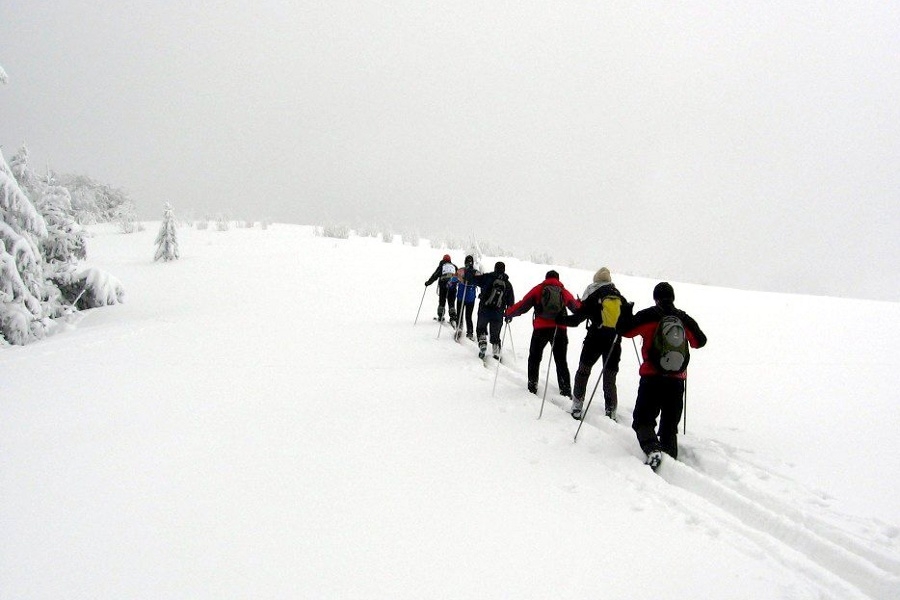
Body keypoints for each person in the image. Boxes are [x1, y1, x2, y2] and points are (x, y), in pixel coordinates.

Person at [619, 281, 707, 469]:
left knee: (642, 420)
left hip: (652, 378)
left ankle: (652, 450)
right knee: (669, 426)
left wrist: (626, 312)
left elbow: (624, 331)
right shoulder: (682, 318)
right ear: (672, 297)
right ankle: (670, 464)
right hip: (676, 380)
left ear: (656, 298)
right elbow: (700, 341)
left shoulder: (649, 315)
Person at [563, 267, 631, 421]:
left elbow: (577, 319)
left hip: (595, 339)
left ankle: (577, 406)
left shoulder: (593, 294)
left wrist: (559, 320)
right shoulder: (620, 296)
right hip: (614, 342)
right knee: (610, 377)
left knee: (583, 371)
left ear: (596, 280)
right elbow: (627, 324)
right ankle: (611, 410)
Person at [505, 270, 580, 396]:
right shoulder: (563, 291)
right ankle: (565, 390)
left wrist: (508, 313)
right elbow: (576, 308)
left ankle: (532, 385)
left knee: (534, 357)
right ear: (558, 278)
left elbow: (523, 305)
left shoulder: (539, 289)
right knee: (561, 360)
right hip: (559, 329)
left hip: (541, 329)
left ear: (546, 278)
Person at [474, 261, 514, 359]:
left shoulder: (487, 277)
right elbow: (511, 301)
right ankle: (496, 350)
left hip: (484, 309)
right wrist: (509, 315)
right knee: (495, 334)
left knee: (481, 328)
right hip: (498, 312)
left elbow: (475, 280)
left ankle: (483, 341)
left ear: (495, 268)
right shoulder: (507, 284)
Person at [451, 255, 479, 340]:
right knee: (468, 316)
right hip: (471, 298)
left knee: (460, 314)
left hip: (460, 297)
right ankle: (470, 332)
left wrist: (449, 285)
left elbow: (453, 280)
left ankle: (459, 329)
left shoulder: (460, 271)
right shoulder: (476, 272)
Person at [424, 254, 457, 322]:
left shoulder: (442, 266)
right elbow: (459, 277)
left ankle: (440, 315)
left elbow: (435, 276)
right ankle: (453, 317)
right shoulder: (454, 267)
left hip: (443, 286)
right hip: (452, 286)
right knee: (451, 301)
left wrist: (428, 283)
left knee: (442, 301)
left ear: (443, 259)